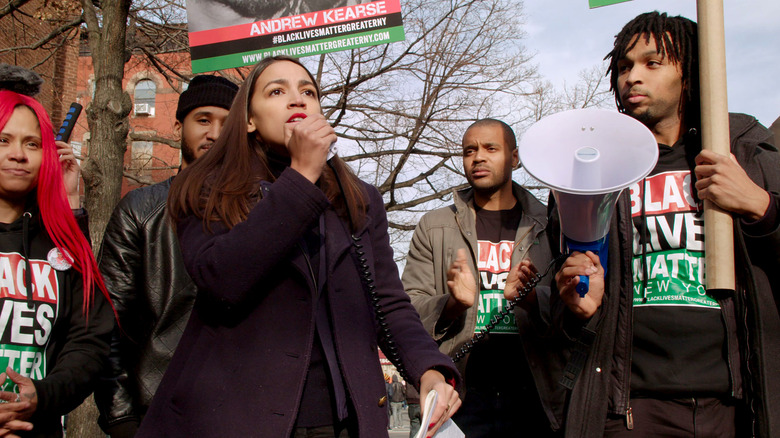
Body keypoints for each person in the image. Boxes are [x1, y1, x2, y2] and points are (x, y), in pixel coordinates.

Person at [135, 55, 461, 437]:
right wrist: (302, 176)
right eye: (277, 91)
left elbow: (387, 301)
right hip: (237, 418)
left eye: (308, 91)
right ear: (250, 120)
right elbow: (220, 279)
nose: (297, 100)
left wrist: (429, 368)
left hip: (343, 419)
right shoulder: (207, 186)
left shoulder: (359, 199)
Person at [556, 11, 780, 437]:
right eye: (623, 66)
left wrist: (759, 205)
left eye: (651, 63)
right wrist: (581, 309)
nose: (632, 77)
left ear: (690, 70)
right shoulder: (600, 170)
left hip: (734, 404)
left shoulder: (744, 150)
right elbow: (564, 304)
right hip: (630, 407)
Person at [94, 74, 238, 437]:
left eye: (227, 124)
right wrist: (121, 420)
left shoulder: (260, 214)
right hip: (155, 416)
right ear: (178, 128)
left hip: (242, 416)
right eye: (203, 120)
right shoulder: (141, 210)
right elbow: (105, 322)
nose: (215, 134)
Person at [403, 119, 566, 437]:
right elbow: (407, 314)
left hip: (536, 392)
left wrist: (532, 298)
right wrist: (452, 304)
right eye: (469, 151)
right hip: (462, 394)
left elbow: (573, 309)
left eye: (491, 148)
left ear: (515, 158)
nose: (478, 157)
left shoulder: (549, 224)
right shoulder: (435, 226)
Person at [0, 71, 113, 437]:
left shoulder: (59, 243)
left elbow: (89, 340)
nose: (18, 154)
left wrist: (43, 396)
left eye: (32, 144)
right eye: (3, 140)